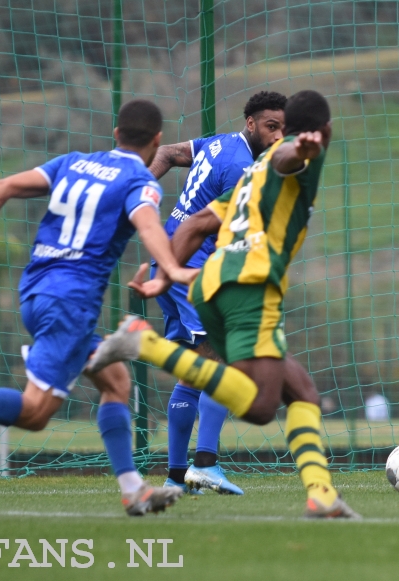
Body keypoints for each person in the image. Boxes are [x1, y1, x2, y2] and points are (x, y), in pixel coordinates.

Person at [0, 99, 198, 516]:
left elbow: (2, 188)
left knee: (116, 382)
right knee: (35, 413)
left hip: (35, 290)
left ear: (115, 134)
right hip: (72, 303)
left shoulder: (73, 162)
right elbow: (147, 225)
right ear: (157, 140)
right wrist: (174, 269)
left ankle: (133, 489)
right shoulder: (139, 181)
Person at [88, 90, 360, 519]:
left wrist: (163, 278)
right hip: (247, 289)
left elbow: (196, 222)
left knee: (301, 390)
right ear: (324, 130)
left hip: (208, 282)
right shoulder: (300, 155)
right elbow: (291, 156)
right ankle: (146, 346)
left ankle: (321, 494)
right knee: (260, 405)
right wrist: (302, 149)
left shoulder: (252, 172)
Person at [148, 90, 286, 495]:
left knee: (194, 374)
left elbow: (170, 153)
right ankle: (205, 463)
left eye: (283, 129)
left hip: (170, 261)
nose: (278, 136)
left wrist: (138, 187)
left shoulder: (217, 143)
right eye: (270, 127)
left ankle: (175, 479)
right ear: (251, 123)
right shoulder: (243, 168)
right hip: (190, 269)